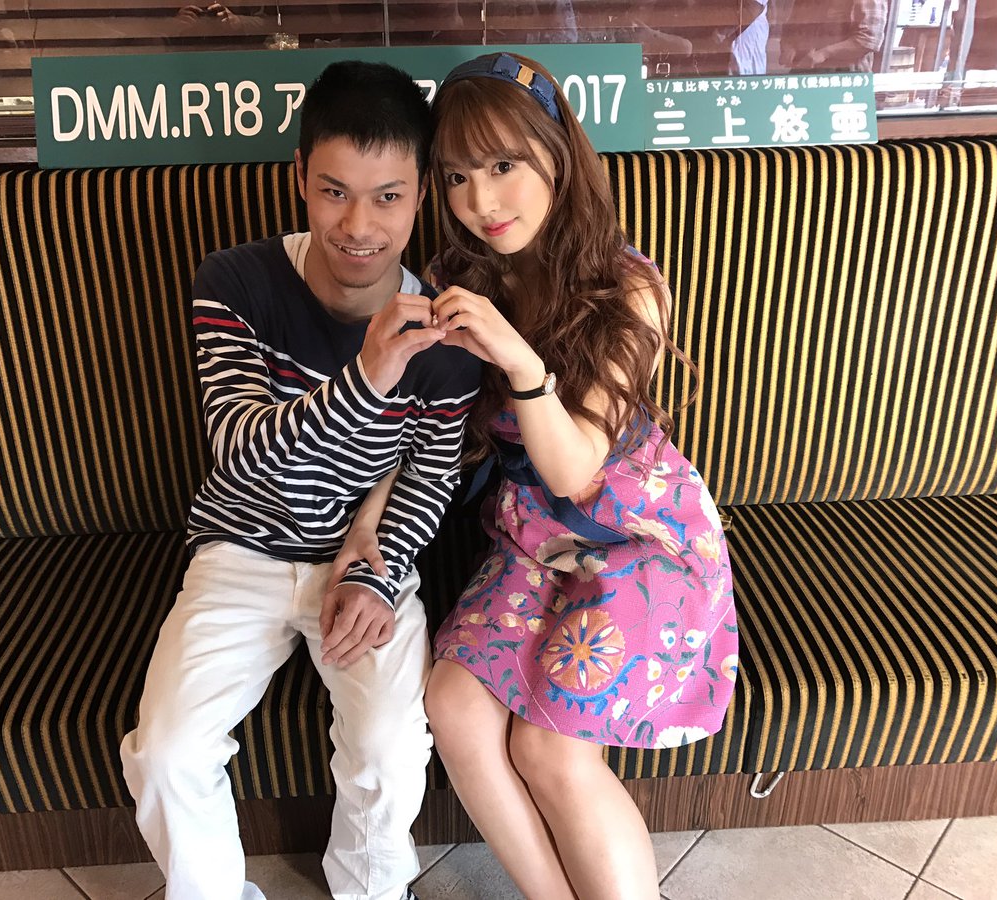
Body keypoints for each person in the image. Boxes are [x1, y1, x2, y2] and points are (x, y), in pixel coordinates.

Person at [119, 60, 480, 900]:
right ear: (299, 178)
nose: (359, 226)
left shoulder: (443, 332)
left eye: (388, 197)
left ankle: (368, 891)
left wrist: (377, 574)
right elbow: (241, 451)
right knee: (165, 752)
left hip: (365, 561)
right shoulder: (235, 283)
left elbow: (429, 477)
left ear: (421, 196)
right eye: (334, 192)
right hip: (240, 548)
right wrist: (368, 377)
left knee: (391, 749)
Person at [426, 52, 738, 899]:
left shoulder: (628, 288)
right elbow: (419, 421)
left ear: (557, 155)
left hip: (638, 533)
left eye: (503, 165)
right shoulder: (459, 278)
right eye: (456, 176)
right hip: (533, 539)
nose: (480, 201)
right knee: (453, 704)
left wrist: (520, 361)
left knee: (550, 748)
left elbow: (575, 468)